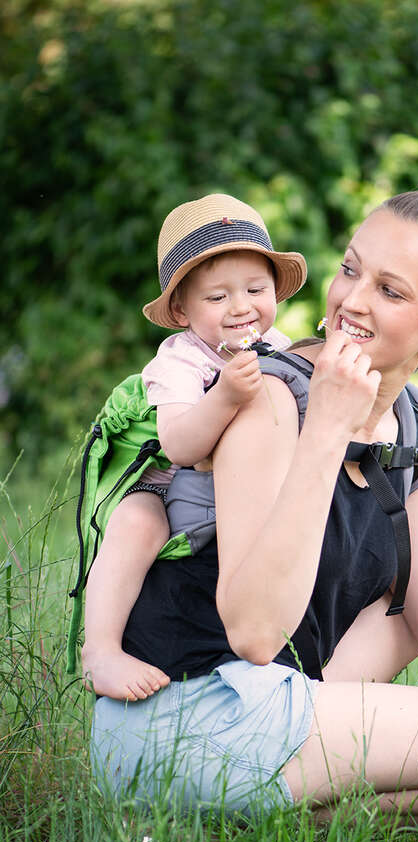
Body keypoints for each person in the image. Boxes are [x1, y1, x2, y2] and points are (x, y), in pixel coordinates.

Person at [90, 190, 418, 836]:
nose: (351, 301)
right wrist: (327, 428)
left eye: (390, 291)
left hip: (286, 690)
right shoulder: (267, 394)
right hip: (188, 709)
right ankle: (321, 824)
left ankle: (312, 817)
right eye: (350, 270)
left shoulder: (413, 423)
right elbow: (255, 633)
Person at [82, 193, 307, 702]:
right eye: (217, 297)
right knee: (137, 526)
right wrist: (225, 395)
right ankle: (100, 650)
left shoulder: (280, 347)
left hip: (218, 489)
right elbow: (179, 443)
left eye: (255, 288)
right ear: (181, 309)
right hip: (158, 481)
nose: (242, 307)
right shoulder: (181, 361)